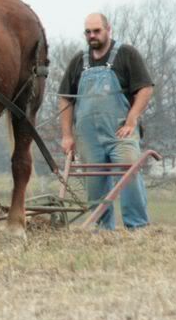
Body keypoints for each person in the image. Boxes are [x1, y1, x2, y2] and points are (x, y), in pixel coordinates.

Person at [58, 12, 154, 229]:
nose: (92, 35)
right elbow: (65, 98)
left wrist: (131, 121)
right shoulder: (78, 61)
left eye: (97, 31)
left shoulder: (126, 54)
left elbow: (145, 89)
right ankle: (102, 229)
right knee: (95, 185)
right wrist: (67, 135)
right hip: (88, 136)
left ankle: (136, 226)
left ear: (108, 29)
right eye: (88, 32)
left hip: (120, 131)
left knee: (129, 172)